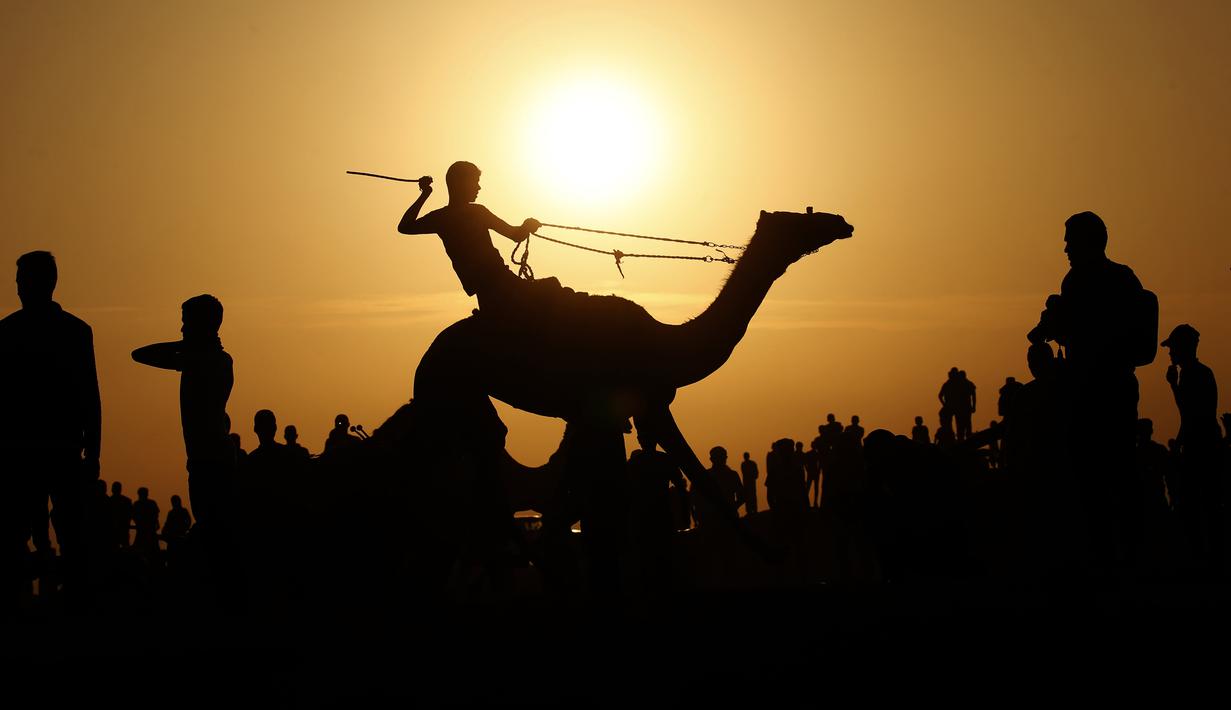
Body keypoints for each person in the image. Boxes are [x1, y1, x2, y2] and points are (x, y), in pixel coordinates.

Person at [1027, 211, 1155, 569]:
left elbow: (1079, 328)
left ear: (1088, 241)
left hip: (1096, 389)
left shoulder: (1086, 281)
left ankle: (1111, 556)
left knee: (1097, 476)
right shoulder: (1117, 278)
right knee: (1112, 473)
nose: (1065, 247)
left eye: (1070, 239)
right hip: (1108, 387)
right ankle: (1123, 553)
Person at [0, 251, 101, 610]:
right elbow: (91, 396)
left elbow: (90, 393)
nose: (17, 287)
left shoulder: (8, 333)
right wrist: (94, 451)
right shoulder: (74, 331)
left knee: (31, 531)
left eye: (21, 280)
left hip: (27, 450)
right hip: (56, 448)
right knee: (67, 533)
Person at [132, 295, 240, 606]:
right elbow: (140, 354)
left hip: (212, 461)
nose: (181, 327)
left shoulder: (211, 360)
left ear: (202, 325)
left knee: (217, 534)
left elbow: (142, 354)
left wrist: (190, 346)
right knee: (214, 532)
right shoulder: (205, 358)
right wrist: (190, 345)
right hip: (205, 459)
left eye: (186, 321)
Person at [397, 161, 544, 319]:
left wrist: (425, 194)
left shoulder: (441, 218)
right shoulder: (477, 213)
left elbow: (405, 227)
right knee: (552, 294)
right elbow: (516, 235)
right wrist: (527, 226)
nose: (478, 187)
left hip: (485, 290)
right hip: (503, 284)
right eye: (475, 182)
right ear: (461, 184)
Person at [1162, 324, 1221, 568]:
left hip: (1201, 448)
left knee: (1197, 507)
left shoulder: (1194, 374)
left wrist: (1173, 386)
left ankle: (1204, 561)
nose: (1170, 353)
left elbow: (1190, 414)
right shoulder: (1199, 372)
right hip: (1203, 444)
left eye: (1173, 347)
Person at [131, 487, 161, 559]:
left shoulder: (137, 504)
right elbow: (156, 515)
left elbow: (134, 516)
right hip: (149, 530)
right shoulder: (151, 503)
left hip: (143, 531)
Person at [109, 481, 133, 549]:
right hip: (124, 530)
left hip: (113, 531)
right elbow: (130, 514)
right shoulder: (127, 501)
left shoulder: (109, 501)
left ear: (112, 489)